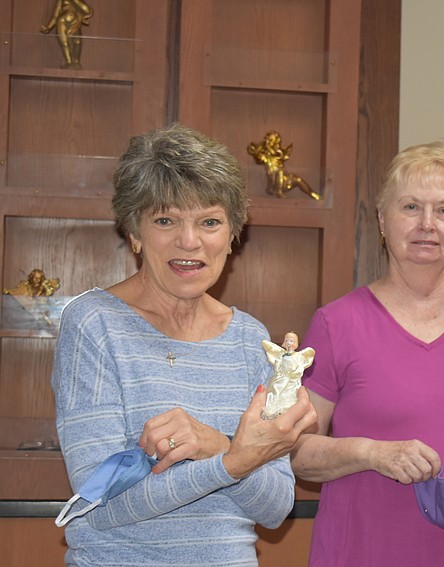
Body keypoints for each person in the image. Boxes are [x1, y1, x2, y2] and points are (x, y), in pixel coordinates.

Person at [51, 123, 317, 566]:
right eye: (165, 220)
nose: (189, 241)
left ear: (233, 236)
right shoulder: (94, 324)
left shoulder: (251, 339)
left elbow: (274, 509)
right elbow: (99, 504)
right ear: (134, 232)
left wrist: (216, 445)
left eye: (209, 221)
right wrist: (233, 462)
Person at [289, 140, 444, 566]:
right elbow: (296, 453)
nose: (427, 224)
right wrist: (373, 454)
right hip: (362, 552)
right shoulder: (335, 325)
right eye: (411, 207)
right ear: (382, 220)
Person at [41, 0, 93, 70]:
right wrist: (48, 27)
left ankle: (76, 62)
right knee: (64, 43)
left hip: (74, 23)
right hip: (61, 22)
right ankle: (68, 62)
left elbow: (87, 10)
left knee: (77, 42)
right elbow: (55, 15)